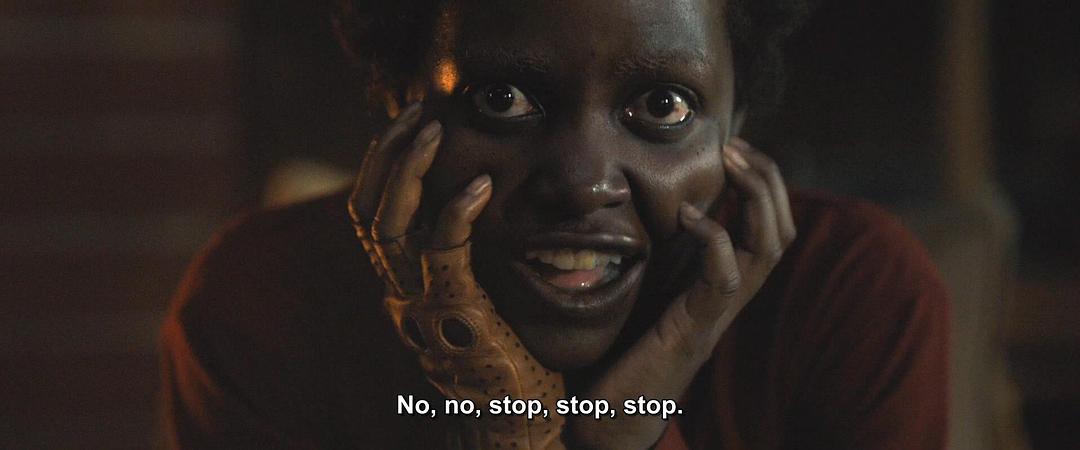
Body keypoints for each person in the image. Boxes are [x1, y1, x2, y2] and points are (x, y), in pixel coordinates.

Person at [160, 0, 951, 448]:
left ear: (736, 122)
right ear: (400, 100)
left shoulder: (849, 296)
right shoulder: (267, 304)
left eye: (663, 106)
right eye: (502, 100)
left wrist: (623, 436)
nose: (582, 182)